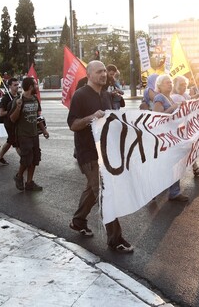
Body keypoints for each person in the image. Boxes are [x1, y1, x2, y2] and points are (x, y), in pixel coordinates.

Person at [67, 60, 133, 253]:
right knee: (105, 194)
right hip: (87, 153)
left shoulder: (105, 95)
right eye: (99, 72)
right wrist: (90, 118)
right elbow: (73, 124)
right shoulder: (80, 96)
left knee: (92, 190)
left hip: (104, 152)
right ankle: (116, 239)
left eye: (105, 71)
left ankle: (78, 221)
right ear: (89, 74)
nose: (104, 74)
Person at [153, 74, 189, 202]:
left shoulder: (169, 98)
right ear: (160, 85)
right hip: (165, 137)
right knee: (166, 165)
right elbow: (157, 117)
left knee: (174, 163)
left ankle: (174, 192)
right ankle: (154, 190)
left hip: (173, 136)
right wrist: (173, 108)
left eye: (170, 82)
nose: (170, 84)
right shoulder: (159, 98)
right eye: (167, 82)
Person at [9, 77, 49, 191]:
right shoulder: (18, 100)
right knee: (26, 159)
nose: (37, 87)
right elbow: (12, 118)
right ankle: (19, 176)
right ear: (31, 87)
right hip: (23, 135)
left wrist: (44, 130)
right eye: (36, 85)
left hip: (34, 134)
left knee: (35, 159)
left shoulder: (35, 99)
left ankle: (29, 182)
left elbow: (37, 116)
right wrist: (18, 107)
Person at [171, 76, 199, 177]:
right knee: (185, 149)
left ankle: (194, 167)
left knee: (189, 147)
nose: (183, 87)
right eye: (181, 85)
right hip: (179, 129)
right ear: (175, 85)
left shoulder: (183, 95)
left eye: (185, 85)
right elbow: (189, 104)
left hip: (185, 127)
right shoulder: (176, 97)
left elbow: (190, 99)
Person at [0, 78, 20, 165]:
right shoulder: (5, 98)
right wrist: (12, 111)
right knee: (15, 141)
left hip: (17, 123)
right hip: (9, 123)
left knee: (10, 141)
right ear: (9, 86)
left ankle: (0, 157)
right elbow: (1, 113)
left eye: (18, 84)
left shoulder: (19, 96)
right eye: (15, 85)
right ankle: (25, 161)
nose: (17, 87)